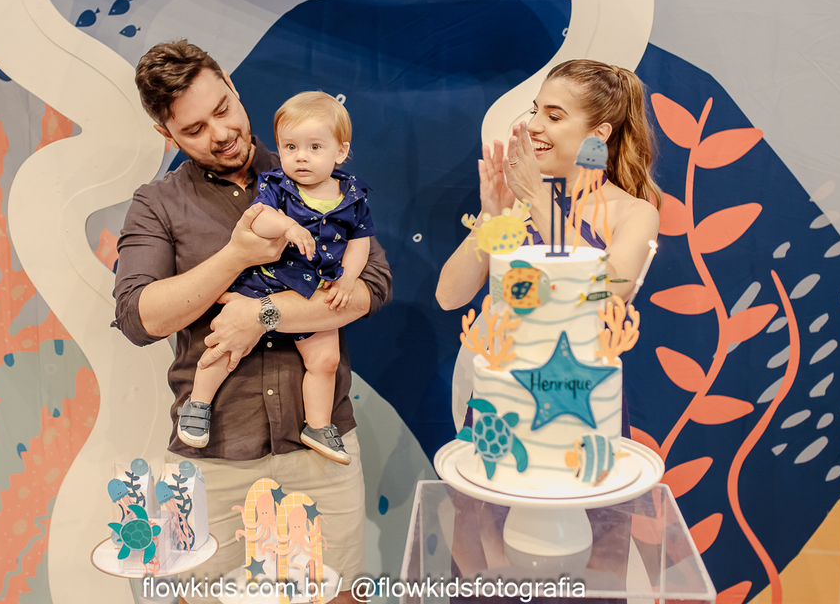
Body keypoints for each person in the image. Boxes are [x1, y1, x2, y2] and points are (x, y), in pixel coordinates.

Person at [113, 40, 391, 598]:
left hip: (319, 444)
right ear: (166, 135)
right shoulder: (157, 203)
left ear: (233, 88)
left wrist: (262, 314)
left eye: (222, 109)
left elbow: (370, 288)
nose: (220, 133)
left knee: (338, 595)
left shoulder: (318, 172)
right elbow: (139, 317)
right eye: (195, 129)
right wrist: (236, 256)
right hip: (213, 453)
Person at [436, 59, 661, 434]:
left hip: (574, 406)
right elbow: (449, 296)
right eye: (535, 110)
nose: (534, 125)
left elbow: (607, 289)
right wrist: (492, 215)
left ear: (598, 134)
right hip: (502, 402)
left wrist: (538, 199)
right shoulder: (519, 205)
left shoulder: (633, 212)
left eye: (554, 116)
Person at [178, 91, 373, 466]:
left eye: (314, 147)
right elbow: (258, 219)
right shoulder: (277, 186)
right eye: (290, 147)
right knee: (226, 347)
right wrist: (285, 225)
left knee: (326, 360)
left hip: (311, 296)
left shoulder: (352, 196)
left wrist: (349, 278)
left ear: (340, 151)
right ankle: (198, 404)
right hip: (263, 284)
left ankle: (318, 425)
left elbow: (360, 241)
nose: (301, 157)